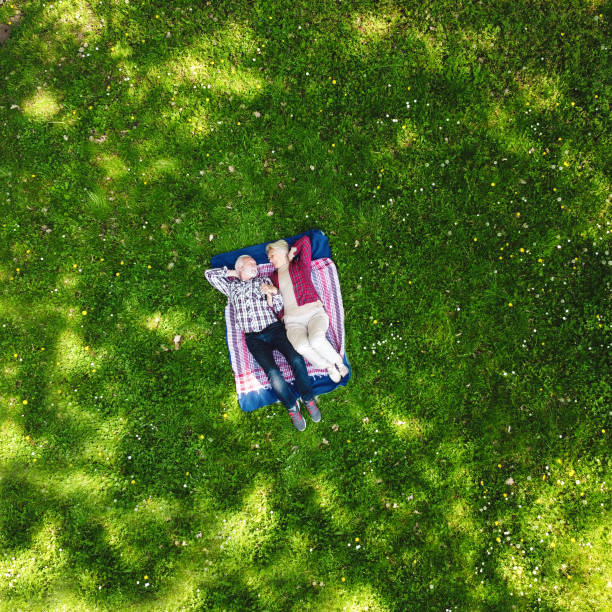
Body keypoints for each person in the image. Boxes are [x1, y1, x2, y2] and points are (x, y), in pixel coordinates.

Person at [205, 254, 320, 431]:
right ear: (240, 267)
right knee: (273, 373)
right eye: (251, 263)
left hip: (274, 329)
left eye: (256, 264)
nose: (256, 266)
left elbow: (279, 306)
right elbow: (209, 274)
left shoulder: (263, 280)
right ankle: (291, 406)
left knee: (296, 359)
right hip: (253, 338)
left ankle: (308, 398)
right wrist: (234, 273)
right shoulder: (231, 286)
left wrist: (273, 293)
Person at [265, 236, 349, 383]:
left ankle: (339, 362)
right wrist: (273, 291)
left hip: (313, 312)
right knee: (301, 346)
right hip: (292, 321)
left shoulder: (300, 265)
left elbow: (305, 241)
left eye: (272, 256)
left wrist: (291, 253)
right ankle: (328, 366)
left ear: (281, 252)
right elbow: (275, 303)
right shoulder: (273, 276)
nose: (270, 260)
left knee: (316, 340)